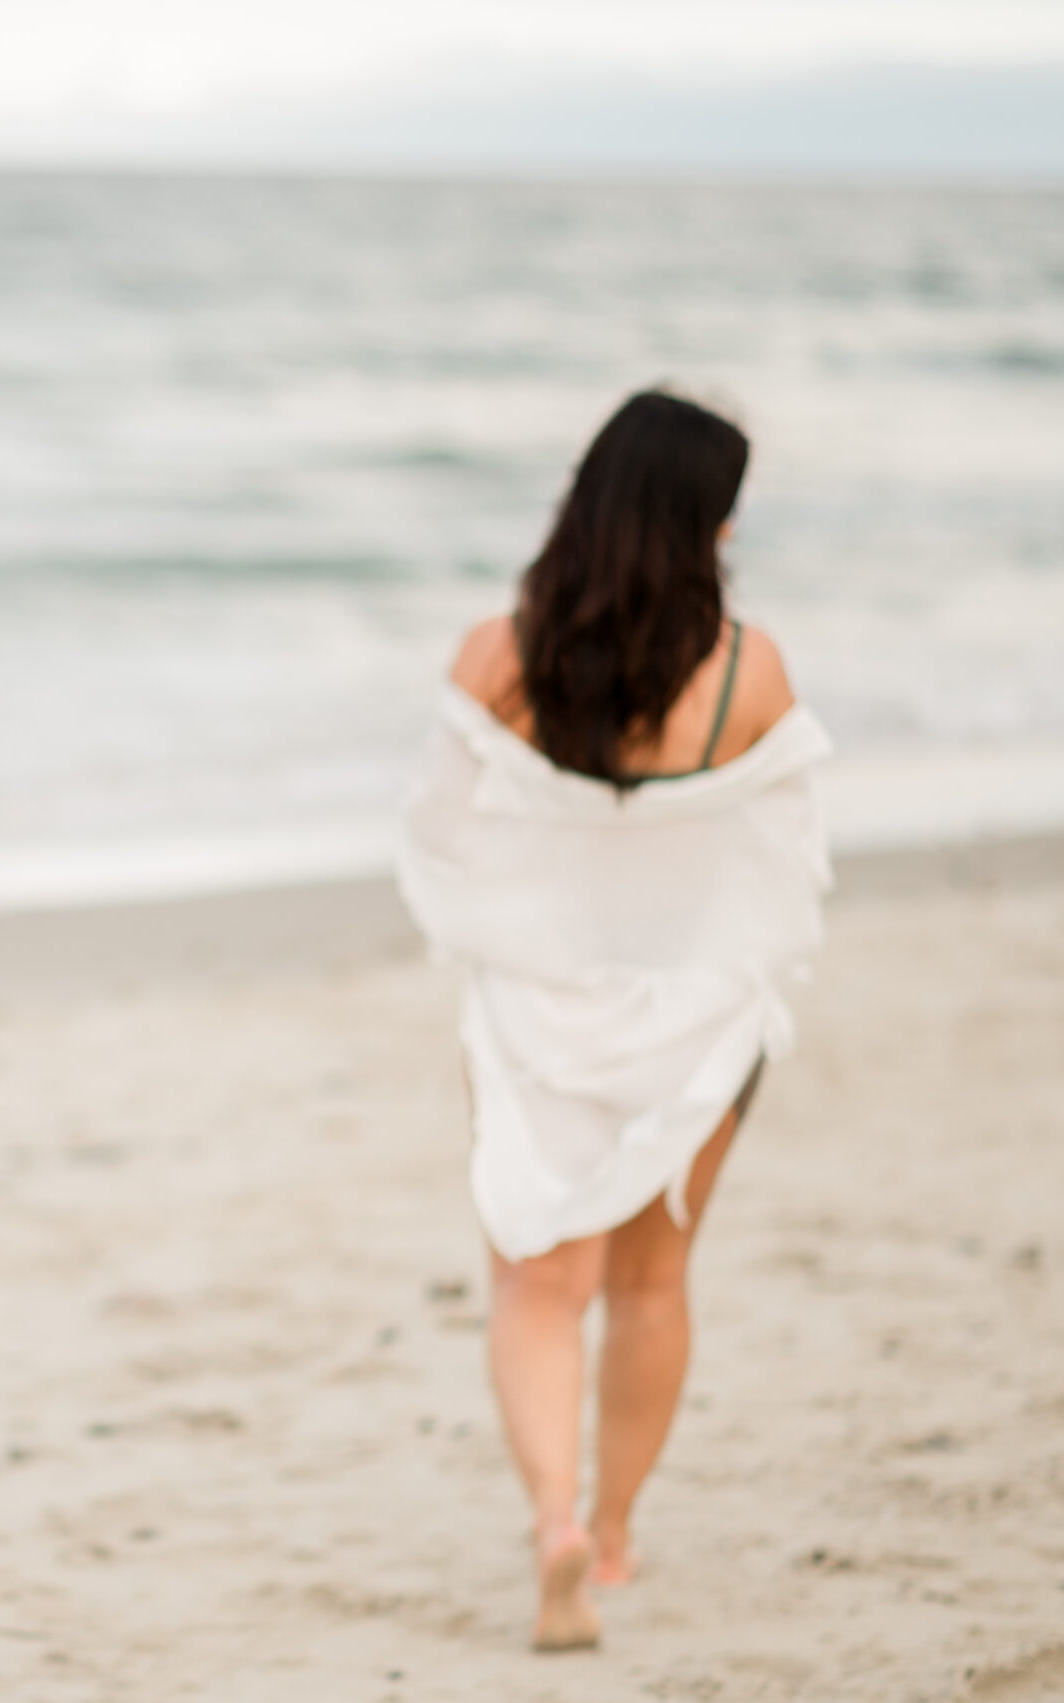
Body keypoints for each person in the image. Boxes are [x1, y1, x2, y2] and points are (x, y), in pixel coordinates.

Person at [394, 389, 834, 1653]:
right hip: (695, 1016)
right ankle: (620, 1527)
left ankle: (552, 1523)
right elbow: (782, 856)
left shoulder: (496, 652)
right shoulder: (751, 673)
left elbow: (440, 828)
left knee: (539, 1280)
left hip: (537, 1008)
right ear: (710, 520)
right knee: (650, 1282)